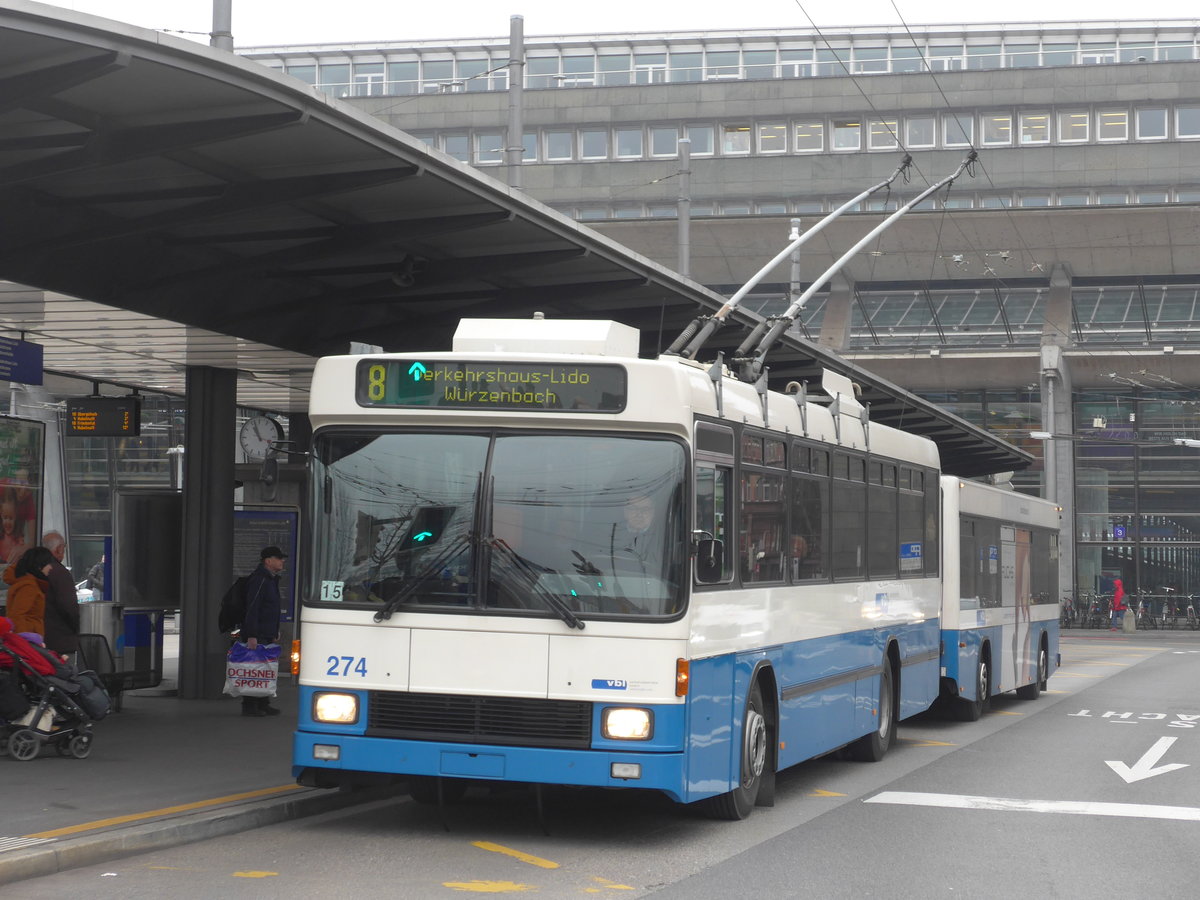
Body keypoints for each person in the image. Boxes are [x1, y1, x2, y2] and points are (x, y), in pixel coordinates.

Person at [239, 546, 286, 717]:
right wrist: (251, 634)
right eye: (279, 558)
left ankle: (263, 703)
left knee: (265, 669)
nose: (282, 561)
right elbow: (253, 608)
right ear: (268, 561)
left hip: (266, 632)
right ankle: (250, 705)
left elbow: (270, 608)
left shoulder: (270, 579)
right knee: (254, 669)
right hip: (257, 634)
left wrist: (275, 630)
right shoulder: (260, 580)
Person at [40, 532, 81, 658]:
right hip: (60, 642)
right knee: (64, 675)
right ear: (58, 549)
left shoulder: (34, 569)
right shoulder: (60, 573)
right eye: (64, 547)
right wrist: (76, 628)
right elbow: (69, 606)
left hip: (38, 641)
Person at [2, 546, 55, 639]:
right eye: (48, 564)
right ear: (39, 566)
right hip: (29, 639)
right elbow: (17, 615)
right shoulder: (29, 586)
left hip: (30, 637)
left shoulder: (28, 582)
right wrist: (25, 640)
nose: (50, 567)